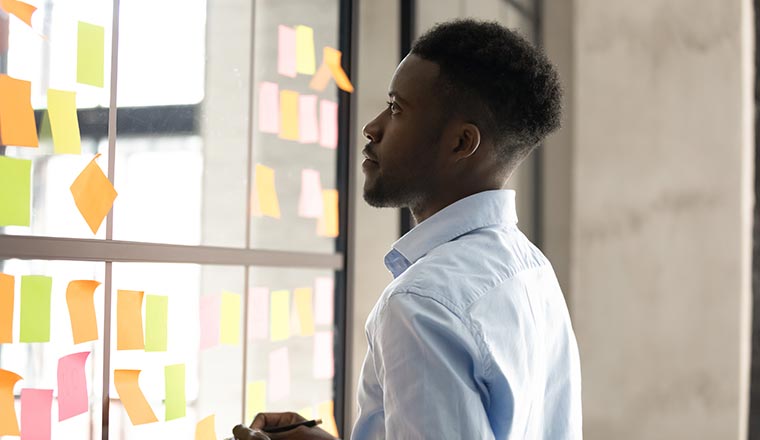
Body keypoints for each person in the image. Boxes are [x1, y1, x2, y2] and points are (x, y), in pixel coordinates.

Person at [233, 18, 582, 440]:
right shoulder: (530, 269)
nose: (372, 127)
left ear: (460, 143)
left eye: (397, 109)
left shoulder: (422, 303)